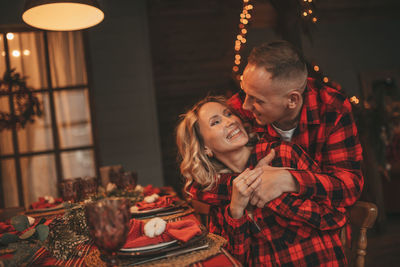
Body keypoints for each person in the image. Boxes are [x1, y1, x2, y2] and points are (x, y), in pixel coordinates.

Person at [189, 40, 364, 216]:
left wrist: (288, 179)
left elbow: (349, 188)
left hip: (316, 226)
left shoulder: (332, 109)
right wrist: (249, 185)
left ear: (292, 100)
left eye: (258, 100)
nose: (245, 106)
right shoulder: (241, 107)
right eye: (245, 92)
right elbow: (197, 185)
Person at [176, 96, 348, 266]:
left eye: (228, 114)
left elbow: (335, 216)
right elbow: (234, 261)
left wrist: (277, 192)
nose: (230, 122)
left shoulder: (282, 154)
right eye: (215, 122)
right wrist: (236, 209)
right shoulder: (217, 192)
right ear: (206, 148)